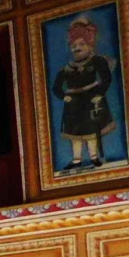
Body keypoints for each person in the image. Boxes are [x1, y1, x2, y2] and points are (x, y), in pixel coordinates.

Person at [52, 15, 117, 172]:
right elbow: (56, 87)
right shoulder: (67, 68)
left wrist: (99, 94)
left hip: (91, 100)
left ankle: (94, 157)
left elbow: (106, 78)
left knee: (91, 131)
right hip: (73, 104)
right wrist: (64, 97)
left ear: (89, 44)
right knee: (74, 133)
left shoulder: (97, 61)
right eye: (74, 45)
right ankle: (76, 160)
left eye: (81, 44)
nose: (77, 47)